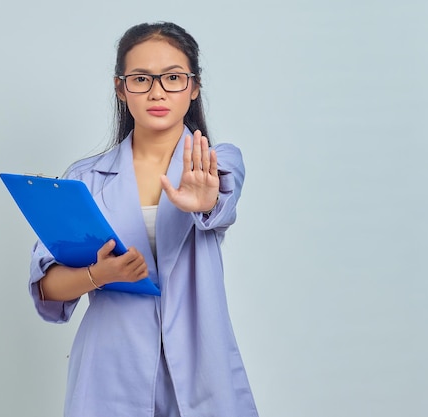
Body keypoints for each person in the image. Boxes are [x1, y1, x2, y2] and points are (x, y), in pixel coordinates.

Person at [28, 22, 259, 417]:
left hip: (202, 365)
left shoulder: (216, 162)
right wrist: (98, 275)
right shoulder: (84, 179)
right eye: (140, 79)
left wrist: (205, 203)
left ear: (194, 86)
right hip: (110, 369)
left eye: (172, 78)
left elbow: (223, 196)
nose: (157, 91)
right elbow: (47, 287)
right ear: (121, 88)